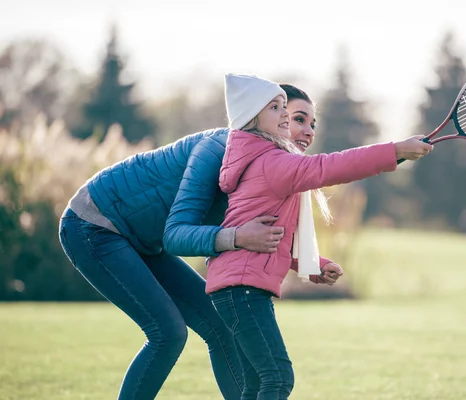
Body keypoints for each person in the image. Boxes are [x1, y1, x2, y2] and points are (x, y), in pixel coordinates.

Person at [58, 83, 343, 400]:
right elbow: (177, 233)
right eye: (296, 118)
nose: (306, 132)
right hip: (95, 224)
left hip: (145, 242)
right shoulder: (217, 149)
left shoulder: (265, 166)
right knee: (167, 333)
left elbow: (263, 232)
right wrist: (234, 237)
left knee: (221, 327)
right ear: (258, 115)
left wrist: (310, 264)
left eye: (312, 124)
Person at [206, 73, 433, 400]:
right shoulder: (272, 161)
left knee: (257, 384)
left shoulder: (260, 159)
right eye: (280, 110)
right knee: (278, 378)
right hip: (242, 290)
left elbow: (276, 239)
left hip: (236, 288)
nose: (291, 120)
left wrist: (313, 265)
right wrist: (395, 150)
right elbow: (332, 167)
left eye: (293, 113)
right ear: (252, 117)